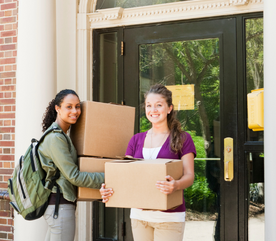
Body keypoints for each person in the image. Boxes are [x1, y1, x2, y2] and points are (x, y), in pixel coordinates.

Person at [100, 84, 196, 241]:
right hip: (140, 216)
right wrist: (109, 189)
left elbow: (189, 175)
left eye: (159, 105)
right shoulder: (136, 140)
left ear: (169, 108)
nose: (154, 110)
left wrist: (176, 185)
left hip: (169, 217)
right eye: (149, 105)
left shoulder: (183, 138)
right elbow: (126, 175)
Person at [38, 89, 105, 241]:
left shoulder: (61, 135)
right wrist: (109, 178)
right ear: (57, 108)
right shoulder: (56, 138)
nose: (75, 111)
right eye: (69, 106)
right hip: (59, 208)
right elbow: (74, 176)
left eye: (77, 106)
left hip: (58, 207)